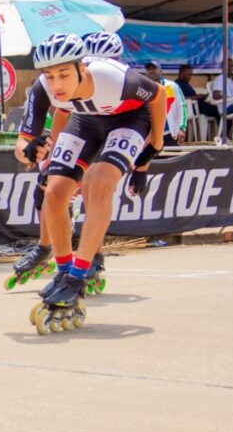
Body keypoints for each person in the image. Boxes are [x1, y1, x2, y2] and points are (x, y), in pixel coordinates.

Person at [15, 33, 165, 334]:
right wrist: (31, 151)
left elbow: (159, 95)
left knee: (98, 180)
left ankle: (79, 273)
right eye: (49, 75)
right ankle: (63, 269)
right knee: (55, 191)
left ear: (82, 68)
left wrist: (155, 146)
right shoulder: (43, 89)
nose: (56, 83)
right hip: (84, 122)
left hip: (129, 119)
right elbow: (23, 143)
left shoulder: (114, 78)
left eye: (64, 74)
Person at [145, 61, 187, 146]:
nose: (151, 71)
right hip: (149, 134)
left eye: (154, 68)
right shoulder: (142, 87)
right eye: (148, 69)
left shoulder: (172, 86)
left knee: (171, 157)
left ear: (161, 71)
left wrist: (182, 128)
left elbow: (182, 107)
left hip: (169, 133)